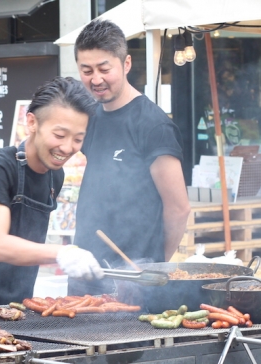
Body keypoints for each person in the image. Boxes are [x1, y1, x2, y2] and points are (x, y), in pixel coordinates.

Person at [0, 76, 104, 309]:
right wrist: (62, 253)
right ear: (32, 123)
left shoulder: (56, 175)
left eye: (78, 139)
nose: (67, 148)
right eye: (60, 135)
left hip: (16, 308)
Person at [70, 19, 191, 296]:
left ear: (126, 64)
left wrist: (154, 267)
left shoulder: (153, 125)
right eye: (86, 70)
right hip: (85, 269)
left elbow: (178, 207)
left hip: (132, 276)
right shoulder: (89, 116)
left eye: (104, 69)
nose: (95, 79)